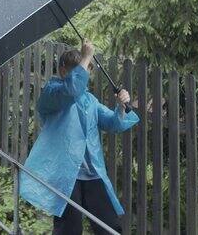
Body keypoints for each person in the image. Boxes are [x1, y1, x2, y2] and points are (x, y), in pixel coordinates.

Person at [18, 39, 140, 235]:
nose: (84, 75)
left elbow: (114, 124)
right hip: (67, 176)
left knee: (110, 227)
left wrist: (121, 106)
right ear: (63, 71)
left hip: (93, 174)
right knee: (68, 230)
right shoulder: (53, 92)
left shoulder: (90, 101)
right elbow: (71, 90)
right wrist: (85, 57)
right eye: (77, 69)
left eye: (86, 70)